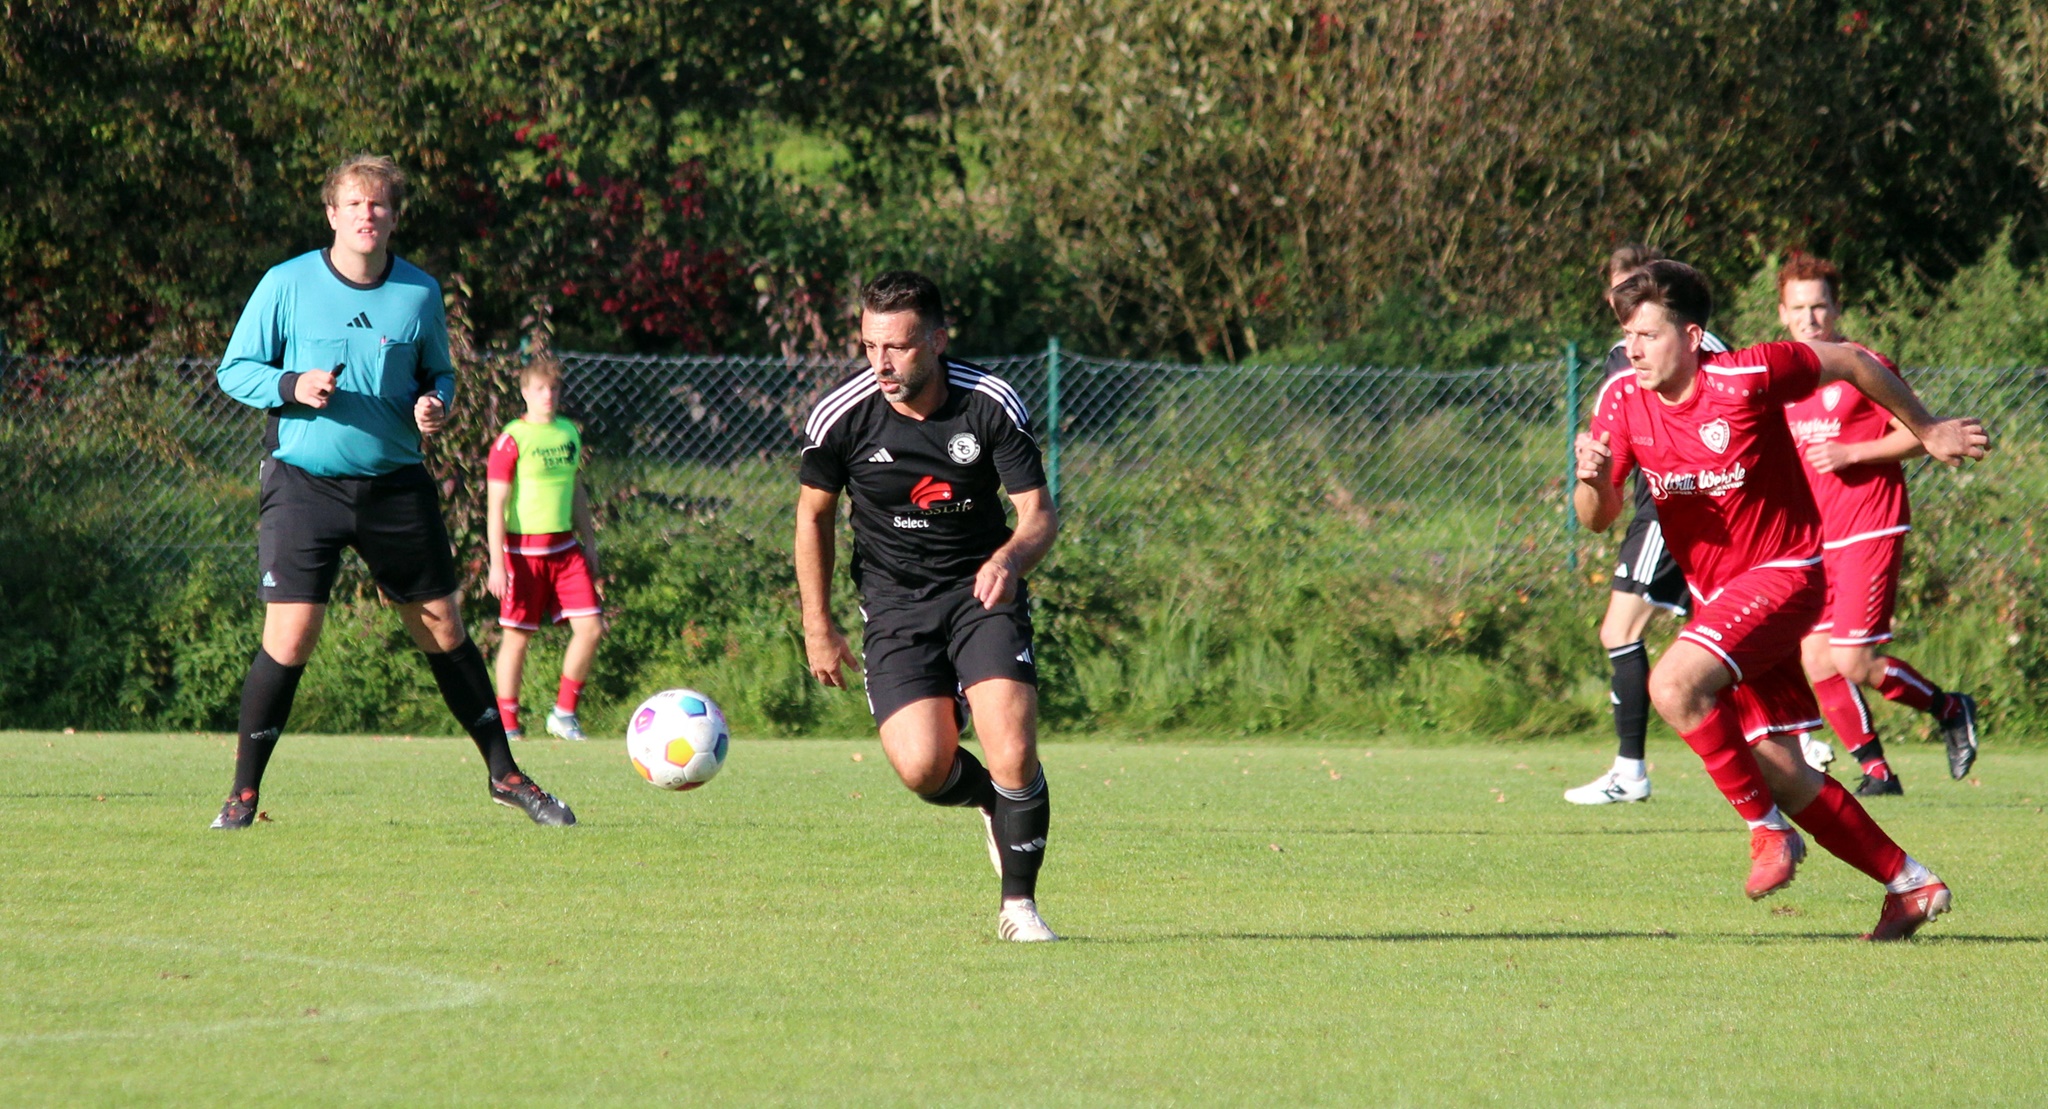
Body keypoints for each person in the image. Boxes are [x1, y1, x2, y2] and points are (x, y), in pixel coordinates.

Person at [1573, 260, 1987, 939]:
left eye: (1648, 335)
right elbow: (1599, 516)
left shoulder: (1747, 375)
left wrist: (1928, 426)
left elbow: (1852, 361)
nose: (1634, 350)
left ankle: (1767, 832)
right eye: (1628, 336)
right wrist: (1591, 479)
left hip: (1786, 573)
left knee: (1672, 685)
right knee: (1780, 768)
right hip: (1720, 601)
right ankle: (1910, 883)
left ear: (1692, 335)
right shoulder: (1622, 398)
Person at [211, 155, 574, 828]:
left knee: (442, 627)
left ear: (394, 217)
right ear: (332, 214)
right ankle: (242, 794)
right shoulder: (286, 283)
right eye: (354, 204)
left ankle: (506, 776)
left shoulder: (418, 292)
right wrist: (292, 385)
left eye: (378, 204)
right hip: (303, 485)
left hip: (395, 486)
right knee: (291, 635)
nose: (366, 215)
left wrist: (436, 404)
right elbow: (234, 370)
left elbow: (440, 375)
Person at [794, 271, 1061, 942]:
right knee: (922, 767)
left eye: (898, 346)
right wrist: (817, 624)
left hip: (981, 592)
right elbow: (813, 517)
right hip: (893, 605)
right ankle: (988, 800)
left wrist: (1009, 559)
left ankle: (1019, 908)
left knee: (1013, 749)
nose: (880, 363)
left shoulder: (989, 403)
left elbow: (1038, 514)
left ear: (938, 341)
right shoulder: (841, 417)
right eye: (869, 345)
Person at [1777, 254, 1979, 793]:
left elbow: (1921, 432)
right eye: (1799, 307)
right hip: (1817, 537)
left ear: (1836, 308)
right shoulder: (1785, 378)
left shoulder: (1863, 364)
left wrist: (1853, 453)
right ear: (1782, 313)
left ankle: (1950, 708)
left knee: (1853, 659)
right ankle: (1876, 771)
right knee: (1816, 657)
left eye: (1820, 305)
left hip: (1869, 525)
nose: (1810, 318)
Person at [1567, 244, 1729, 806]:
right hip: (1671, 506)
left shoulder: (1647, 356)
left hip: (1669, 505)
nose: (1629, 300)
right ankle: (1792, 739)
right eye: (1622, 288)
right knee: (1722, 633)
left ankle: (1631, 770)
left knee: (1622, 631)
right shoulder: (1674, 350)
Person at [486, 357, 605, 742]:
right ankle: (507, 723)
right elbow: (496, 504)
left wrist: (590, 542)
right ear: (524, 393)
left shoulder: (568, 433)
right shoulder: (512, 439)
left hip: (565, 549)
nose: (548, 395)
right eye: (539, 389)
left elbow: (576, 490)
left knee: (591, 628)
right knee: (517, 637)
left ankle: (564, 715)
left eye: (553, 388)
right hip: (523, 553)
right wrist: (496, 563)